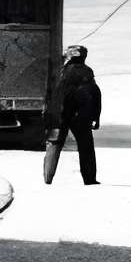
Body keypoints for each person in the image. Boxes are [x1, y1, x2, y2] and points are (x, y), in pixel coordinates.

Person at [44, 43, 102, 185]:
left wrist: (48, 114)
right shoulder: (88, 72)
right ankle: (89, 179)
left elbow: (50, 95)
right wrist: (96, 117)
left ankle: (48, 178)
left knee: (54, 144)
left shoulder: (59, 72)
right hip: (81, 115)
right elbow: (95, 94)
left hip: (60, 114)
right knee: (86, 146)